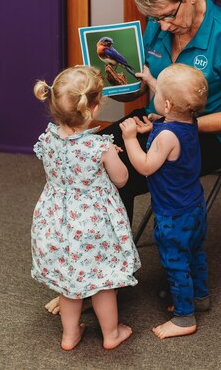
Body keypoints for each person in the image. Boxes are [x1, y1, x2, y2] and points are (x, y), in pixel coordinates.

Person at [45, 0, 221, 315]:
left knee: (120, 176)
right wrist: (108, 84)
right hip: (156, 121)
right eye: (154, 18)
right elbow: (143, 88)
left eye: (167, 16)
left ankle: (105, 278)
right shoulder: (158, 23)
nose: (161, 26)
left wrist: (178, 125)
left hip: (204, 134)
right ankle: (92, 277)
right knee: (95, 158)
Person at [31, 65, 141, 350]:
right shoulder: (99, 147)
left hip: (56, 221)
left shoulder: (47, 139)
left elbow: (67, 164)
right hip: (93, 224)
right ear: (93, 109)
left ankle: (69, 335)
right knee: (103, 282)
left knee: (69, 283)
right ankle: (111, 334)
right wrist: (111, 157)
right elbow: (121, 179)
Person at [120, 63, 209, 339]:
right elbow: (170, 118)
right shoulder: (188, 120)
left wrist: (130, 139)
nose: (155, 95)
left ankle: (184, 318)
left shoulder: (167, 136)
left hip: (173, 214)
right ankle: (200, 297)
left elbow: (146, 166)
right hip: (194, 206)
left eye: (158, 93)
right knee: (195, 253)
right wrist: (154, 124)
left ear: (168, 105)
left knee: (176, 262)